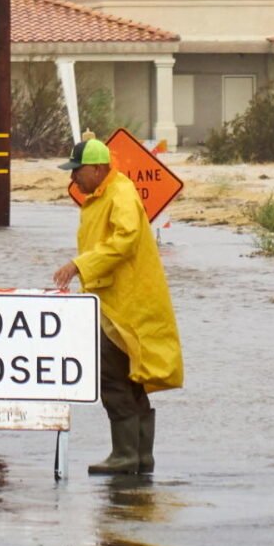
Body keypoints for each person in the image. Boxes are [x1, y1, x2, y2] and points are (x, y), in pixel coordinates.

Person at [52, 137, 182, 477]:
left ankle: (126, 454)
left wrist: (79, 265)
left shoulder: (119, 193)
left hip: (120, 305)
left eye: (77, 171)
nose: (73, 179)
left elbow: (123, 240)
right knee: (131, 376)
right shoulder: (104, 194)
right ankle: (139, 456)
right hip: (117, 300)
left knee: (112, 376)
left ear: (97, 169)